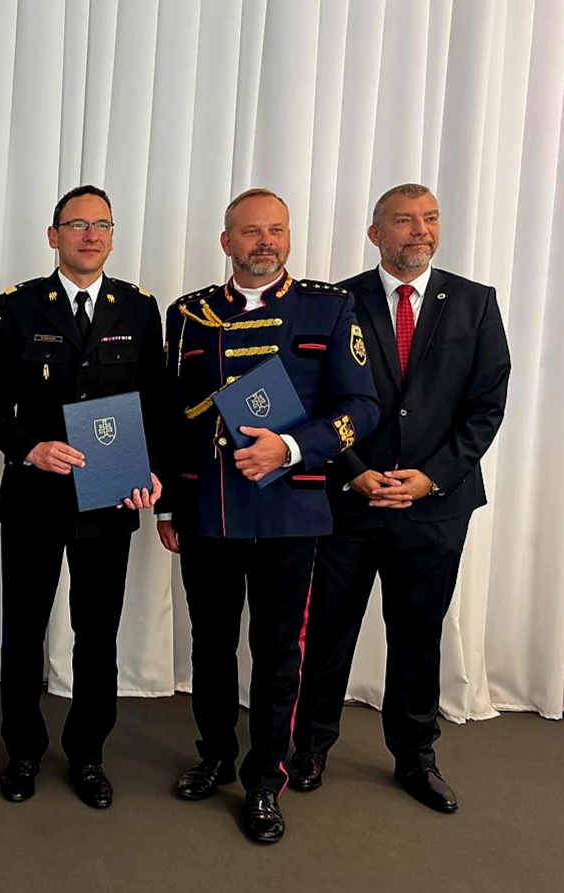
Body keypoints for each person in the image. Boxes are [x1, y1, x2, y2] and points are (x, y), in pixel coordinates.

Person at [155, 188, 380, 844]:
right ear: (227, 241)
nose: (264, 242)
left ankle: (264, 779)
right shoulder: (188, 313)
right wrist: (169, 501)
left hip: (290, 509)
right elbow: (171, 413)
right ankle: (215, 755)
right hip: (208, 508)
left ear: (287, 237)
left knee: (278, 652)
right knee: (211, 645)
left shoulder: (328, 308)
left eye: (275, 230)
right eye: (250, 232)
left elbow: (361, 407)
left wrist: (290, 446)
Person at [288, 184, 511, 813]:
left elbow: (486, 405)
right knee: (328, 629)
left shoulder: (475, 302)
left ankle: (416, 756)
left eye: (430, 219)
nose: (420, 230)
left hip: (435, 506)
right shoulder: (337, 302)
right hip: (348, 501)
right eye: (405, 220)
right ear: (375, 233)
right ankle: (311, 746)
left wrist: (430, 477)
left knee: (418, 635)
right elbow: (312, 399)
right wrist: (353, 470)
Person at [0, 185, 163, 807]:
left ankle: (88, 753)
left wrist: (153, 470)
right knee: (23, 632)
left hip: (110, 495)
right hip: (36, 495)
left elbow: (156, 400)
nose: (91, 235)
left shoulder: (138, 308)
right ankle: (23, 751)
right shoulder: (17, 307)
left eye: (102, 225)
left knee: (97, 634)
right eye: (77, 224)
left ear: (112, 236)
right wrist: (29, 448)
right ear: (53, 235)